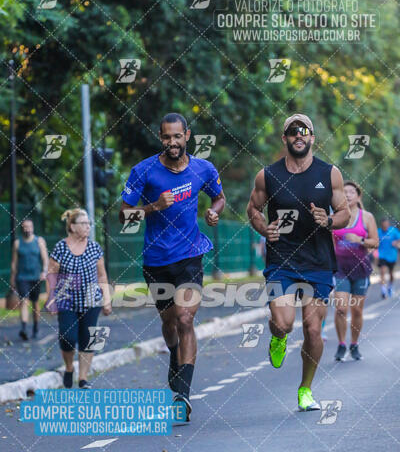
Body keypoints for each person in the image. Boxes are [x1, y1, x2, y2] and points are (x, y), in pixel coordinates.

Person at [119, 113, 225, 422]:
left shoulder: (203, 168)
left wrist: (214, 212)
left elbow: (219, 198)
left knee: (184, 317)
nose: (172, 142)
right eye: (166, 137)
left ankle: (182, 395)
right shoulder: (144, 171)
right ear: (160, 137)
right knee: (169, 324)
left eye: (177, 136)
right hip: (156, 261)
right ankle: (174, 354)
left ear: (187, 135)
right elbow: (124, 216)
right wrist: (153, 207)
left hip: (190, 256)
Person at [247, 113, 350, 411]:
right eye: (293, 131)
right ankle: (277, 337)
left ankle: (305, 389)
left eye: (304, 130)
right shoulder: (268, 175)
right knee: (283, 323)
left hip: (318, 262)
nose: (299, 135)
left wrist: (329, 220)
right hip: (281, 261)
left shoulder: (330, 173)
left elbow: (345, 212)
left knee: (313, 329)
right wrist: (264, 228)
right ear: (285, 138)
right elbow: (253, 208)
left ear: (313, 137)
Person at [46, 208, 112, 389]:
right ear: (72, 226)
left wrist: (106, 299)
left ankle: (83, 379)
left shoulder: (94, 247)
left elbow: (102, 276)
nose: (88, 227)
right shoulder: (61, 247)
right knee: (68, 336)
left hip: (92, 299)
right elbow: (51, 274)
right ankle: (69, 368)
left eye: (89, 224)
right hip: (66, 298)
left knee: (88, 338)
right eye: (84, 224)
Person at [333, 181, 379, 361]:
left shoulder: (367, 217)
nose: (347, 195)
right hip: (340, 269)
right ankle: (341, 344)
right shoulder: (335, 217)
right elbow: (329, 243)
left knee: (357, 311)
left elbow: (375, 242)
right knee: (341, 308)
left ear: (358, 196)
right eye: (344, 192)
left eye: (351, 192)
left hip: (360, 269)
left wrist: (359, 240)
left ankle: (353, 343)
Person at [10, 219, 49, 340]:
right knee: (24, 301)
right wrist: (12, 278)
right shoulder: (17, 243)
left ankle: (36, 327)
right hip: (22, 277)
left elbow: (45, 259)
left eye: (29, 227)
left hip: (35, 277)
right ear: (22, 228)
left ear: (32, 227)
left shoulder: (39, 241)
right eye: (25, 227)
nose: (27, 229)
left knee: (35, 303)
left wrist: (44, 271)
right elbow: (14, 262)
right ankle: (24, 328)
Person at [377, 217, 400, 298]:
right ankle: (383, 290)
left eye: (386, 225)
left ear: (388, 224)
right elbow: (375, 241)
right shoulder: (378, 232)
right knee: (382, 271)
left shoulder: (393, 231)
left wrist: (396, 242)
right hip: (382, 255)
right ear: (381, 225)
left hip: (392, 255)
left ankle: (390, 286)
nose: (385, 227)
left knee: (391, 273)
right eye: (383, 225)